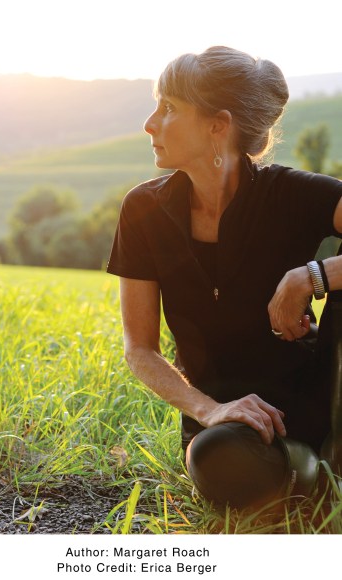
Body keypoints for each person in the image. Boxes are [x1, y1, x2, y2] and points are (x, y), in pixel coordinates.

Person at [107, 46, 342, 510]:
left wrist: (311, 276)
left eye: (169, 108)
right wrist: (210, 410)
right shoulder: (143, 210)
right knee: (217, 459)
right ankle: (308, 475)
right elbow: (140, 349)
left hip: (316, 397)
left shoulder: (291, 194)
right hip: (223, 427)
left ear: (218, 126)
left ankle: (326, 456)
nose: (150, 124)